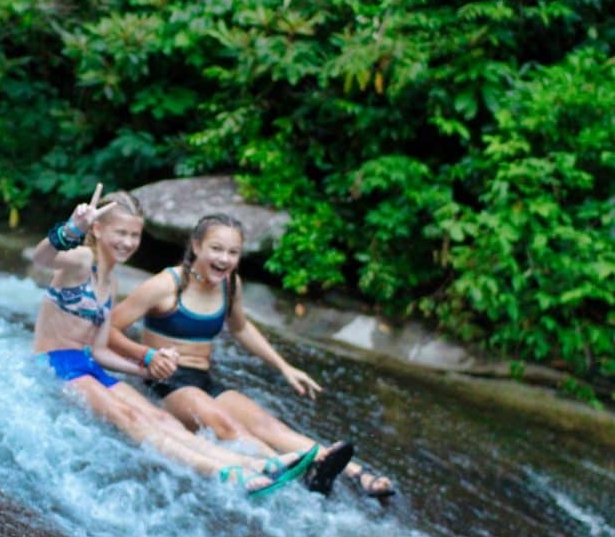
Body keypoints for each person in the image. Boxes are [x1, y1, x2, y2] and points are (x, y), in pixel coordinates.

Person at [33, 186, 318, 497]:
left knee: (160, 417)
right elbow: (42, 257)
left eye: (134, 235)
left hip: (87, 363)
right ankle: (226, 474)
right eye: (121, 233)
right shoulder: (82, 260)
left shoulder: (111, 281)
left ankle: (255, 464)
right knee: (130, 416)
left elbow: (99, 350)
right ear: (98, 229)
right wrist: (73, 227)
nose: (128, 242)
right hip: (55, 363)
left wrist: (147, 368)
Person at [109, 213, 394, 498]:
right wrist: (147, 357)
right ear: (196, 247)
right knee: (228, 427)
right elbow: (109, 329)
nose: (225, 259)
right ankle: (295, 472)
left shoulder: (230, 284)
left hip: (203, 378)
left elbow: (241, 328)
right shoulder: (165, 285)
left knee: (268, 425)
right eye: (217, 249)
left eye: (233, 252)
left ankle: (357, 474)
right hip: (167, 381)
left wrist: (284, 367)